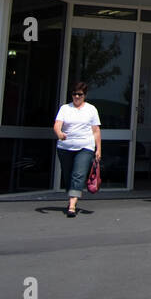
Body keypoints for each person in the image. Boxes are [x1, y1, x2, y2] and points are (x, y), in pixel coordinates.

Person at [53, 82, 101, 218]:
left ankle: (72, 205)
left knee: (78, 175)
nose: (76, 97)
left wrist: (98, 149)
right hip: (65, 147)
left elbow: (96, 131)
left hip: (85, 146)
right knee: (68, 175)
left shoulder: (91, 109)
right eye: (74, 94)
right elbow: (57, 125)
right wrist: (60, 134)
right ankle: (71, 195)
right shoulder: (65, 108)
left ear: (85, 95)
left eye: (80, 94)